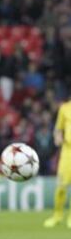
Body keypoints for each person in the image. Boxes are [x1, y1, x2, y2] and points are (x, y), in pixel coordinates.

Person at [44, 97, 71, 228]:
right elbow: (58, 129)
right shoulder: (64, 108)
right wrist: (58, 138)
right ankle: (57, 216)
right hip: (67, 152)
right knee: (61, 186)